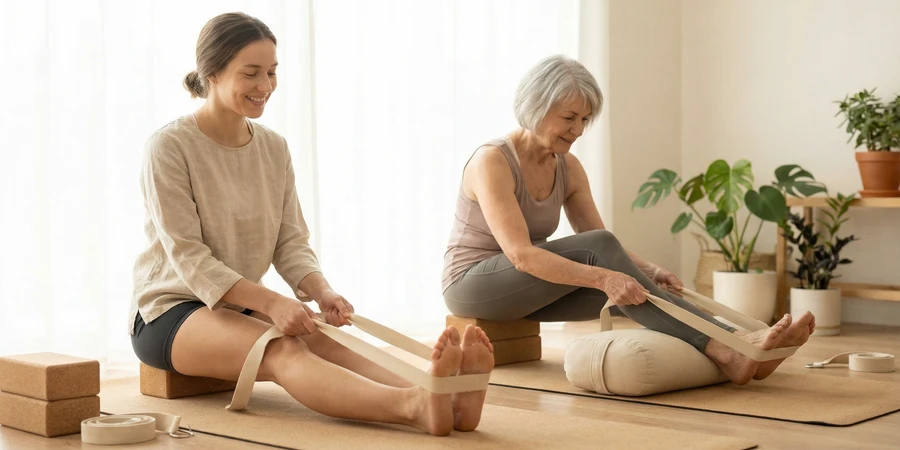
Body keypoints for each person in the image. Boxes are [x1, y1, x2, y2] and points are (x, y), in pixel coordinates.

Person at [129, 12, 493, 435]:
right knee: (283, 348)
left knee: (325, 338)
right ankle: (414, 406)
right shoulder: (168, 146)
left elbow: (289, 242)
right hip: (171, 310)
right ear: (211, 72)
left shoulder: (273, 148)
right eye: (251, 73)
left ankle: (446, 397)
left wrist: (321, 291)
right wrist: (271, 303)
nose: (265, 86)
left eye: (271, 72)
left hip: (240, 302)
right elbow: (190, 259)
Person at [441, 54, 815, 385]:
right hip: (472, 284)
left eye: (585, 119)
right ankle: (729, 345)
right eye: (569, 117)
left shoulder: (568, 167)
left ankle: (740, 351)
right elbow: (523, 255)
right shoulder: (492, 161)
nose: (579, 130)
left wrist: (650, 271)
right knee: (612, 273)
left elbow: (602, 245)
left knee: (635, 289)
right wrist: (606, 276)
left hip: (528, 287)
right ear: (536, 106)